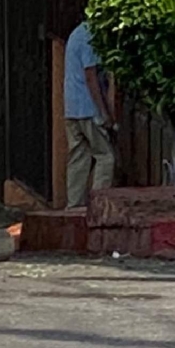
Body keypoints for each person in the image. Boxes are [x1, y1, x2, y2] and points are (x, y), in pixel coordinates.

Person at [64, 21, 116, 208]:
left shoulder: (76, 33)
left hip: (71, 106)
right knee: (106, 156)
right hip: (87, 108)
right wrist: (103, 111)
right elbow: (90, 75)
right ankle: (98, 205)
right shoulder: (89, 36)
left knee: (79, 157)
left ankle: (74, 207)